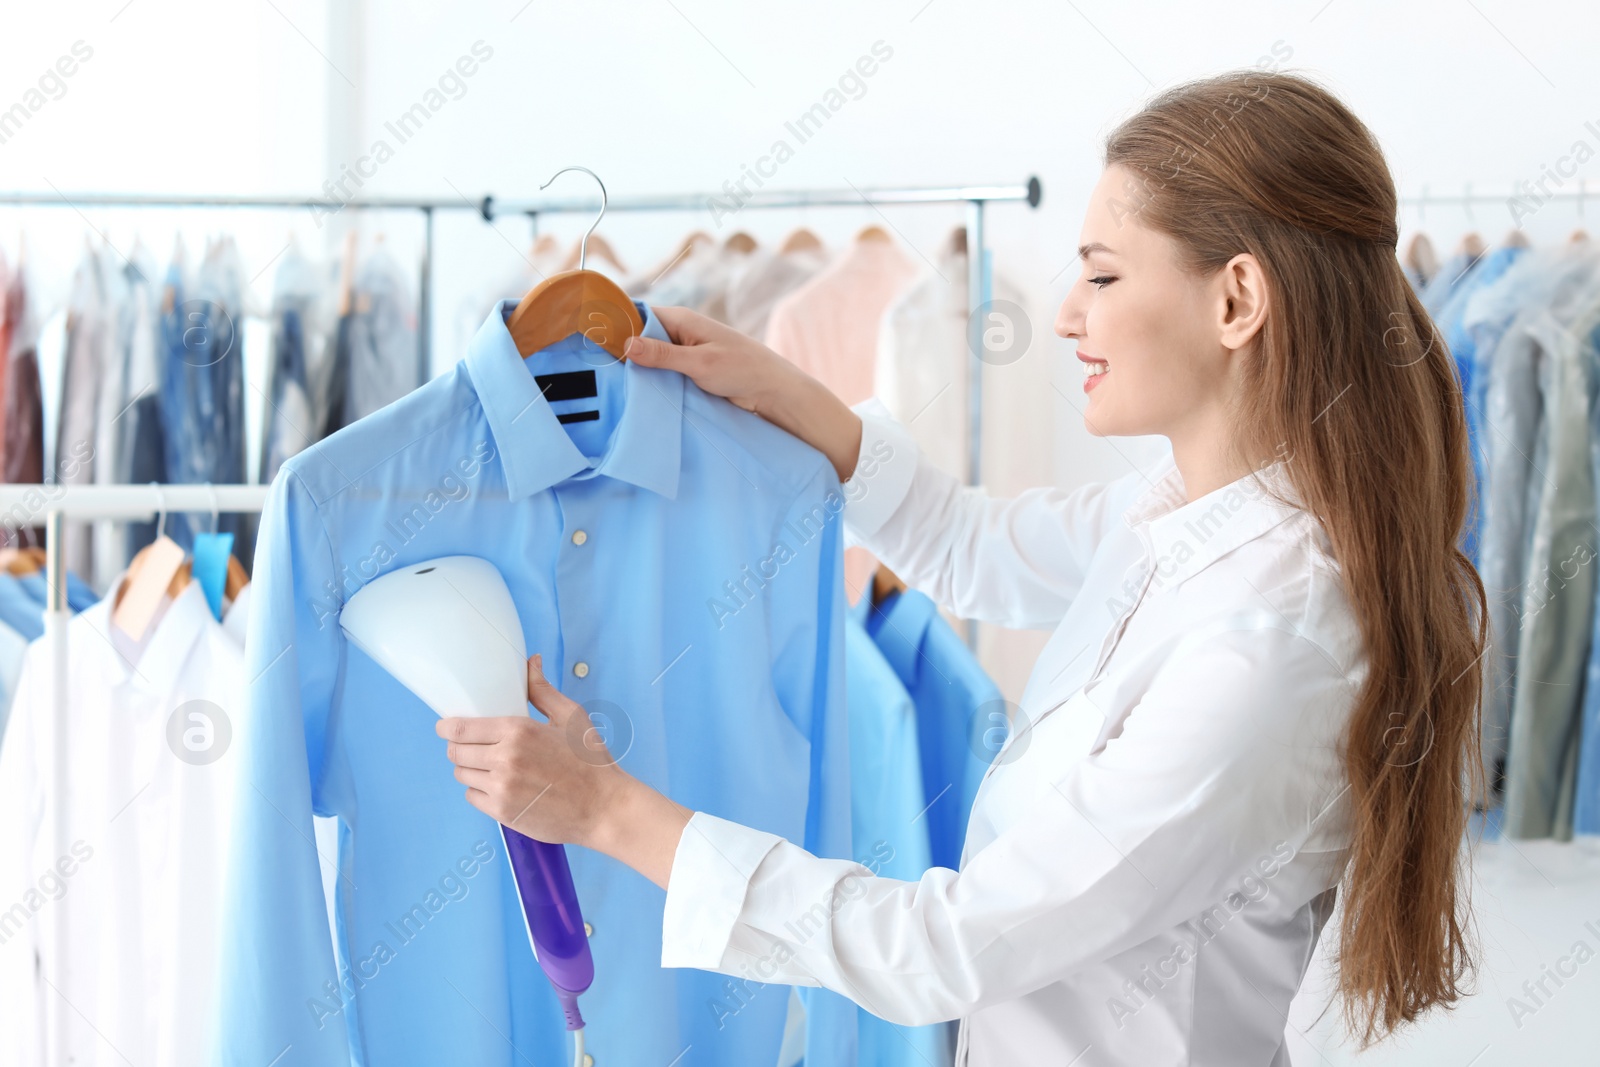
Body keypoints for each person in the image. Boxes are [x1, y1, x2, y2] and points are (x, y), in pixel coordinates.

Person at [437, 69, 1486, 1065]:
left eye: (1103, 273)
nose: (1068, 311)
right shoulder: (1177, 512)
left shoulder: (1270, 645)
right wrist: (786, 392)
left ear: (1236, 299)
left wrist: (606, 811)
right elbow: (972, 543)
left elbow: (941, 945)